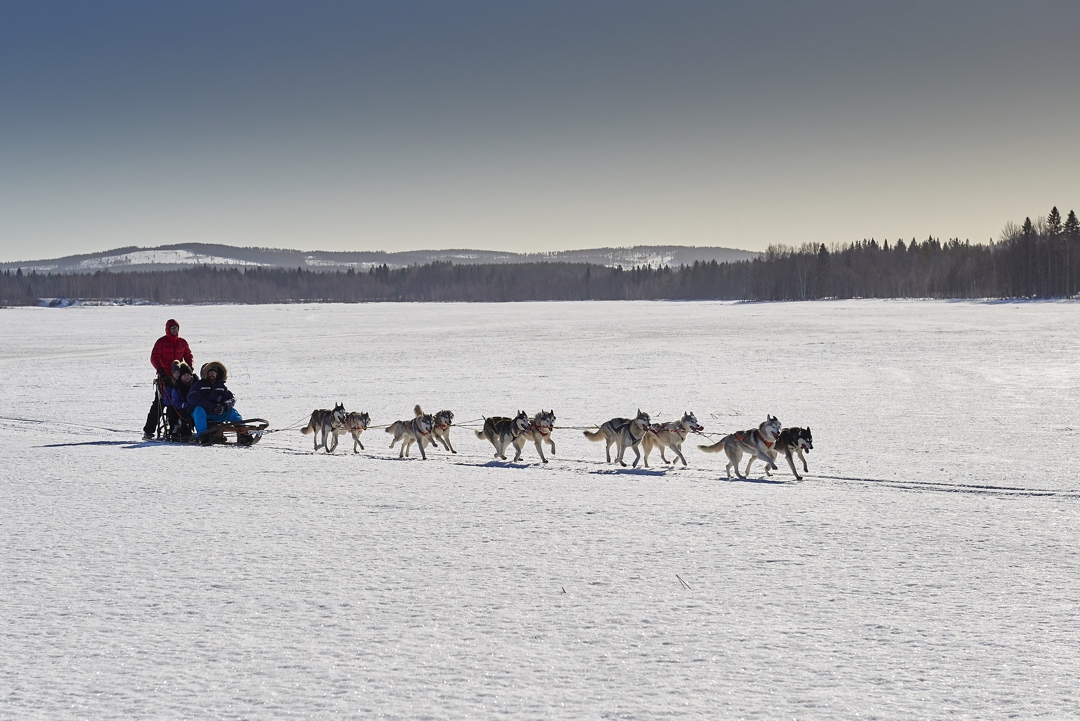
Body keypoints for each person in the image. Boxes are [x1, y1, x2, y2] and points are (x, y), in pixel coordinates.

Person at [143, 319, 194, 439]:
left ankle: (182, 426)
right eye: (172, 328)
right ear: (168, 329)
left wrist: (189, 369)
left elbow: (188, 355)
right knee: (159, 404)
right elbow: (154, 357)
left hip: (179, 377)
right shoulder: (161, 342)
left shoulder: (182, 342)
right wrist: (160, 370)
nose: (175, 330)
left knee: (183, 400)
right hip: (164, 378)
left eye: (176, 328)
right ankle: (149, 430)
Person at [187, 361, 250, 444]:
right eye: (210, 372)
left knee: (232, 412)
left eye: (214, 372)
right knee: (198, 410)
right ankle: (202, 435)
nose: (212, 374)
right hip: (203, 414)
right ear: (205, 373)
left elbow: (231, 399)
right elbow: (192, 398)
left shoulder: (221, 386)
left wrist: (224, 406)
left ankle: (242, 432)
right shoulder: (198, 385)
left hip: (217, 413)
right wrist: (211, 407)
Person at [163, 361, 197, 440]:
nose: (177, 374)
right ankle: (175, 428)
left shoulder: (194, 383)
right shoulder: (173, 385)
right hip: (177, 406)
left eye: (178, 372)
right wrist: (184, 405)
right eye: (175, 372)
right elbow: (169, 400)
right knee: (173, 410)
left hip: (189, 405)